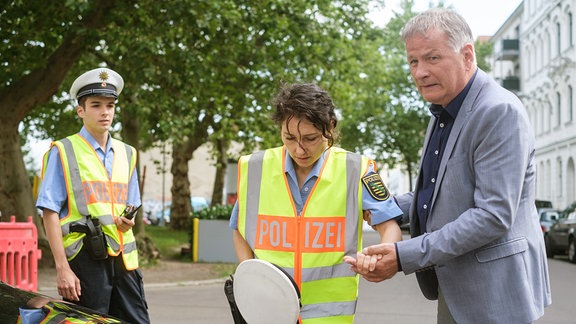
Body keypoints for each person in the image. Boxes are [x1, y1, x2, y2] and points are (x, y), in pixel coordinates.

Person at [345, 8, 552, 324]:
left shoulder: (498, 111)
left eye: (432, 58)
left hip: (494, 295)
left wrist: (403, 256)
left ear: (467, 55)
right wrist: (367, 202)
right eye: (413, 61)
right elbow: (434, 195)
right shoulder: (444, 110)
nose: (419, 72)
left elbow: (492, 216)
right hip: (456, 289)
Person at [229, 82, 403, 323]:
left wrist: (382, 254)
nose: (299, 149)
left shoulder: (356, 169)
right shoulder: (255, 168)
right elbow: (239, 228)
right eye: (289, 137)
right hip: (269, 311)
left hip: (328, 317)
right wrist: (252, 277)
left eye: (309, 138)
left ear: (329, 127)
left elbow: (389, 226)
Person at [36, 67, 150, 323]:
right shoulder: (63, 151)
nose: (105, 112)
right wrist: (62, 268)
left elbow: (130, 204)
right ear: (81, 111)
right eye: (96, 105)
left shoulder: (128, 153)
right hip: (85, 260)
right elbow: (50, 212)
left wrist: (127, 219)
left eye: (110, 105)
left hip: (124, 261)